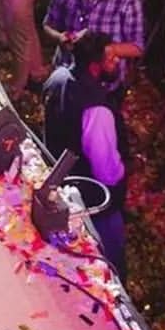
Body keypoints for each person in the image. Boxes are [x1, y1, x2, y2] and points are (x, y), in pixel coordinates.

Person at [43, 32, 128, 280]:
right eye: (111, 59)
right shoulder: (97, 108)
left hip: (61, 181)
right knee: (109, 261)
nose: (117, 62)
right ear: (94, 66)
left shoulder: (57, 78)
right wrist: (122, 176)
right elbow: (106, 170)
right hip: (94, 199)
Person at [43, 0, 144, 107]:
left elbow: (137, 47)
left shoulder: (126, 0)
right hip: (67, 75)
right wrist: (59, 37)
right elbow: (48, 25)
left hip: (104, 85)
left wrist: (106, 50)